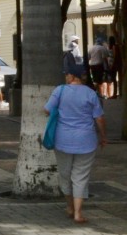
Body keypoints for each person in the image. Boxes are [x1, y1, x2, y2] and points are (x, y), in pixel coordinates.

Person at [44, 61, 107, 224]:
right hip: (86, 141)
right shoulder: (91, 93)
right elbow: (99, 118)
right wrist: (103, 137)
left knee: (65, 174)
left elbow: (46, 110)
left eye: (67, 74)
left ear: (72, 76)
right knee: (80, 176)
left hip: (62, 140)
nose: (65, 76)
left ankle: (70, 207)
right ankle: (79, 213)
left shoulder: (59, 91)